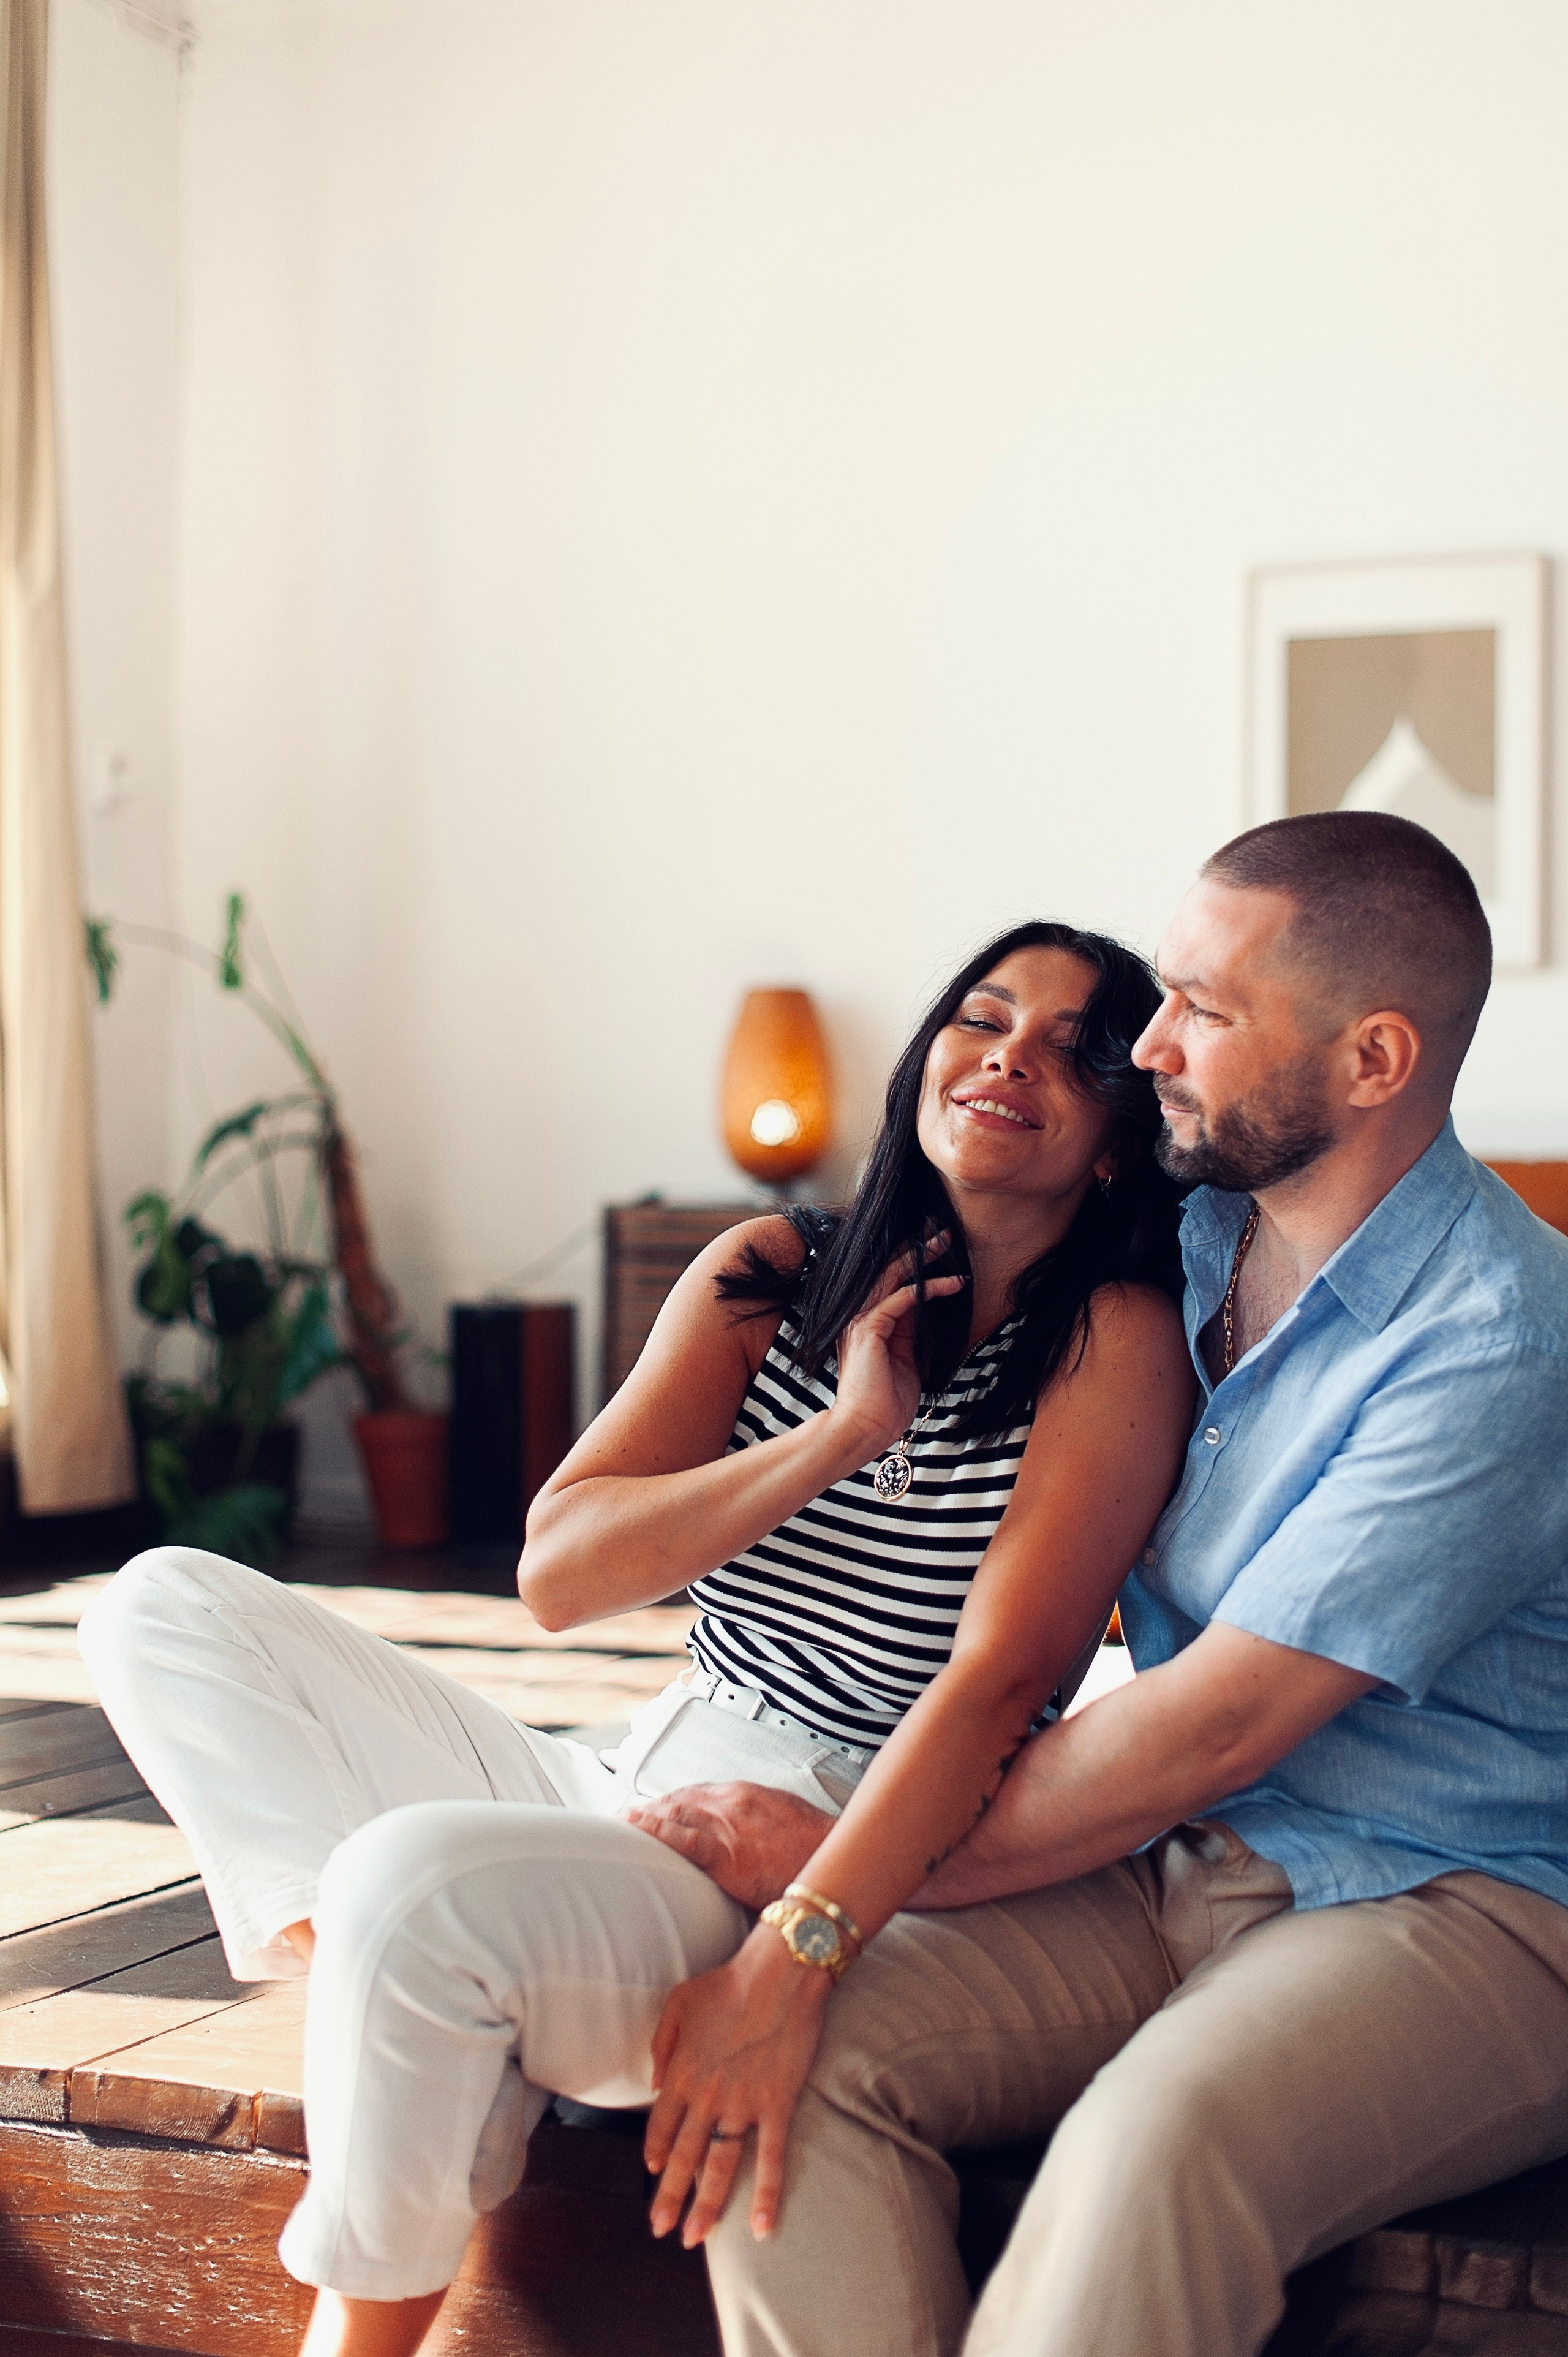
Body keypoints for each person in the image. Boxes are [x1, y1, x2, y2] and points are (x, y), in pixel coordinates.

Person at [78, 917, 1195, 2357]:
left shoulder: (1111, 1337)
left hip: (817, 1830)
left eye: (1066, 1048)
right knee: (163, 1602)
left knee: (413, 1886)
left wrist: (801, 1918)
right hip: (632, 1767)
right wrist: (844, 1431)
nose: (1006, 1057)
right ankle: (356, 1961)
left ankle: (358, 2306)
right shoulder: (773, 1268)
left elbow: (993, 1691)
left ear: (1115, 1135)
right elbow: (561, 1574)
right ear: (925, 1060)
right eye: (981, 1018)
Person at [629, 809, 1568, 2357]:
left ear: (1372, 1061)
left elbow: (1209, 1724)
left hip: (1468, 1899)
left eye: (1203, 1009)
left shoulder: (1494, 1343)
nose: (1146, 1047)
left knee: (1150, 2148)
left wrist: (839, 1882)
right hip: (1181, 1859)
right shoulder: (1180, 1241)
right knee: (792, 2047)